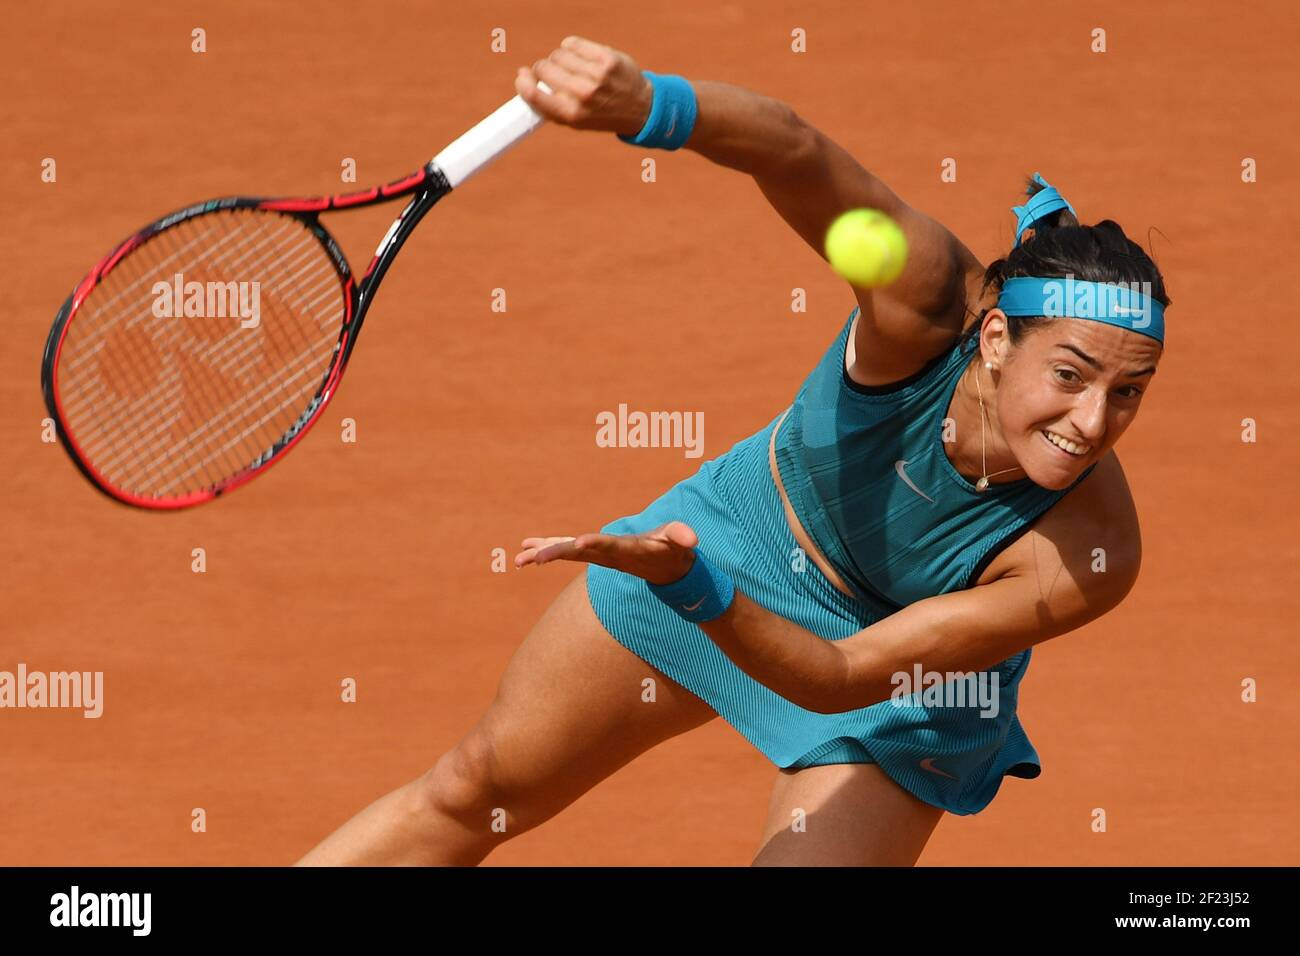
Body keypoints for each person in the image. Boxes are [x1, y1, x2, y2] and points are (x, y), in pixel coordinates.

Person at [296, 35, 1168, 866]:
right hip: (743, 532)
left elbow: (839, 676)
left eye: (1127, 392)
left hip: (901, 684)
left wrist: (687, 582)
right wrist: (649, 104)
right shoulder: (922, 298)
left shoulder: (1092, 552)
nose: (1092, 422)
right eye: (1069, 374)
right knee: (476, 785)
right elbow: (793, 150)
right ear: (992, 339)